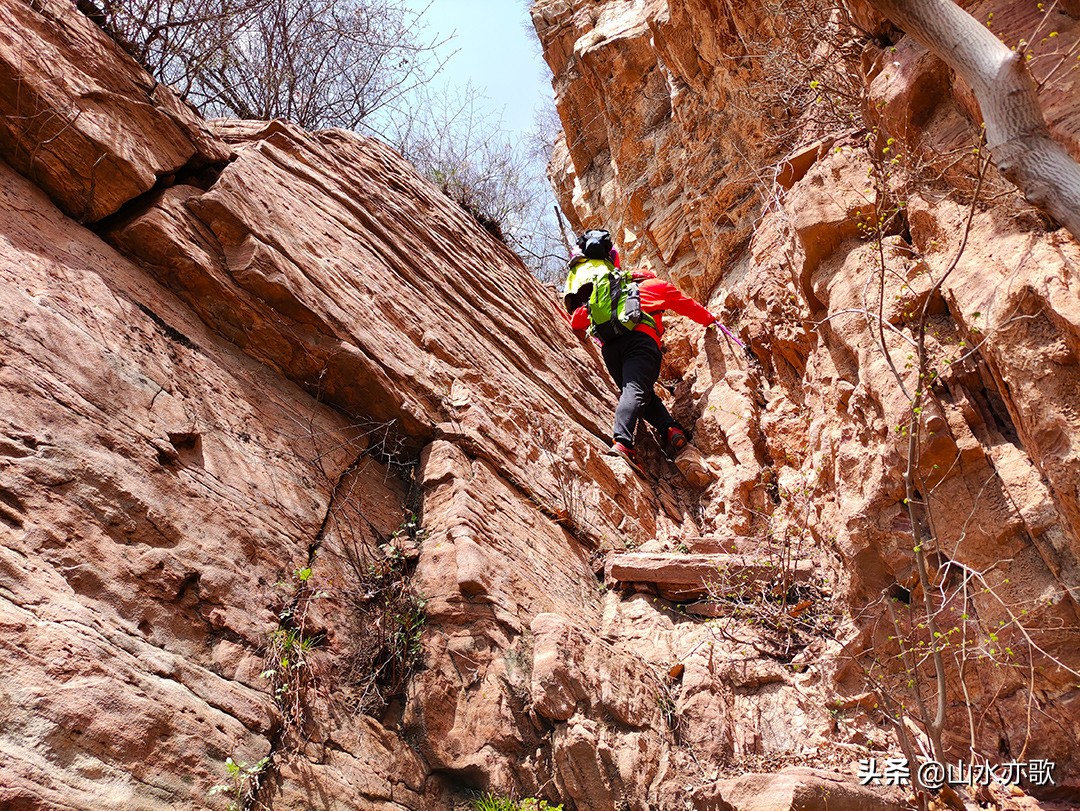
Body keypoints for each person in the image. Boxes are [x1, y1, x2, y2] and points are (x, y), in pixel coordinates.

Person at [563, 228, 717, 472]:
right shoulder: (655, 286)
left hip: (611, 350)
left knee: (639, 393)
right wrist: (711, 320)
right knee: (635, 390)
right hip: (641, 344)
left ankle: (670, 429)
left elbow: (579, 319)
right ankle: (623, 443)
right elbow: (689, 307)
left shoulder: (610, 289)